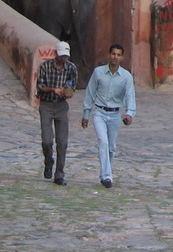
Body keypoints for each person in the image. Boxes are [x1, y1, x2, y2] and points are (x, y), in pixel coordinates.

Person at [81, 44, 136, 188]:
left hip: (114, 114)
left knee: (111, 147)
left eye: (118, 55)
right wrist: (86, 113)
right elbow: (90, 93)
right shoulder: (98, 73)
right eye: (113, 54)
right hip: (99, 112)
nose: (115, 57)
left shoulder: (126, 77)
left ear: (122, 57)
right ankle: (107, 176)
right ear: (109, 55)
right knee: (103, 142)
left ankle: (105, 172)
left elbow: (130, 96)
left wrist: (129, 113)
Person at [36, 40, 77, 185]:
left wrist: (67, 92)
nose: (64, 59)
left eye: (65, 56)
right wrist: (53, 89)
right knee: (47, 140)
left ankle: (59, 174)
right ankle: (48, 161)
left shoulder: (71, 68)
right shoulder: (45, 67)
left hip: (61, 106)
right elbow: (40, 86)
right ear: (55, 54)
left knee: (62, 142)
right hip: (47, 104)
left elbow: (72, 86)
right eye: (61, 56)